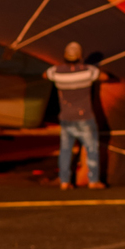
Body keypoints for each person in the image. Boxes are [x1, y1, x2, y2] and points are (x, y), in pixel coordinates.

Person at [44, 41, 105, 189]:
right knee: (91, 149)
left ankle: (64, 182)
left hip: (66, 117)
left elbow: (45, 75)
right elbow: (104, 76)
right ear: (80, 56)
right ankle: (93, 181)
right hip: (85, 116)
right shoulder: (88, 71)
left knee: (65, 150)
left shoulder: (56, 72)